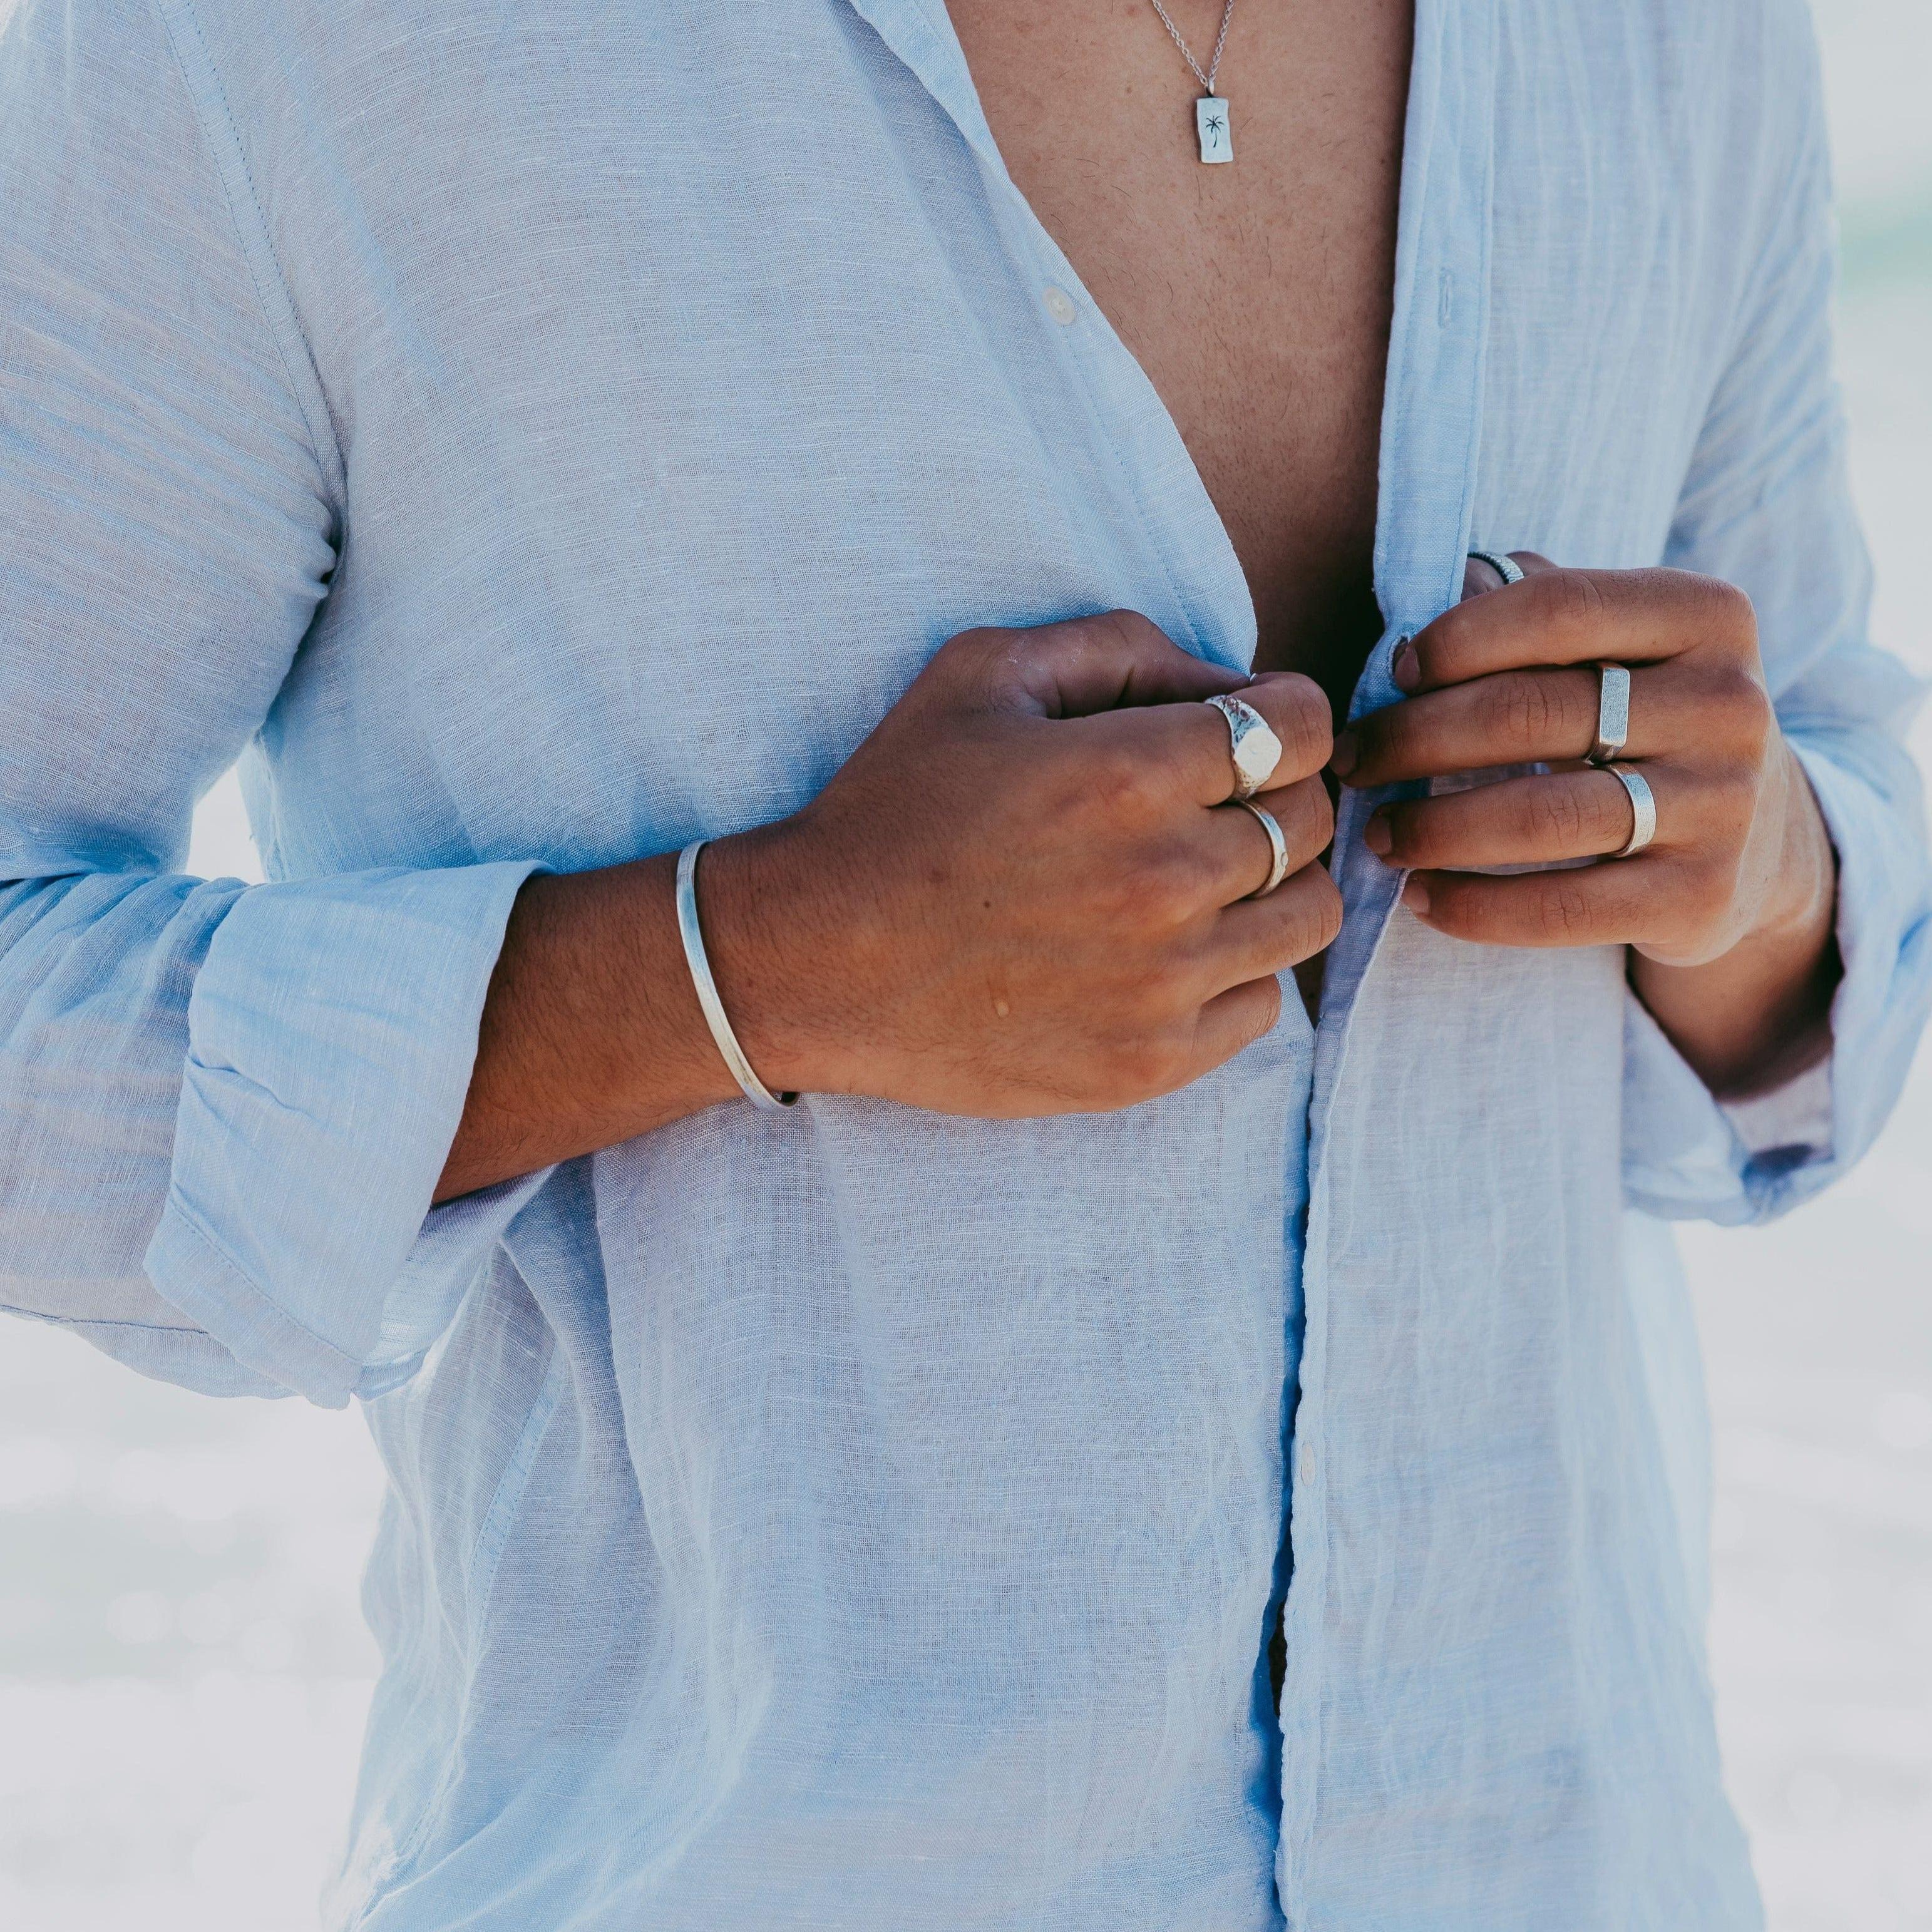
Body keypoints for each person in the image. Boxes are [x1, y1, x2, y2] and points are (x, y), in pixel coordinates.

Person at [1, 0, 1926, 1924]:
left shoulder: (1677, 33)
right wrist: (749, 965)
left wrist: (1752, 866)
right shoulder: (268, 42)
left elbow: (1839, 864)